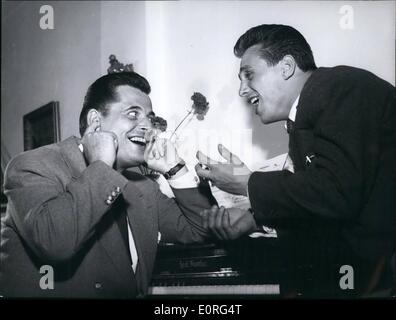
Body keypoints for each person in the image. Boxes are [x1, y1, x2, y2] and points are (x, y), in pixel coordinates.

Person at [196, 24, 396, 296]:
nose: (242, 90)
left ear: (286, 67)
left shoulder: (340, 87)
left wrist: (248, 184)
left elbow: (339, 193)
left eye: (249, 75)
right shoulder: (306, 116)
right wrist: (254, 221)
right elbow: (323, 211)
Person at [0, 71, 226, 298]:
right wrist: (101, 165)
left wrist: (175, 170)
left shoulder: (142, 187)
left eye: (150, 117)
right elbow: (55, 244)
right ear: (95, 122)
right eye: (133, 114)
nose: (147, 126)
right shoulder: (32, 165)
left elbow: (201, 231)